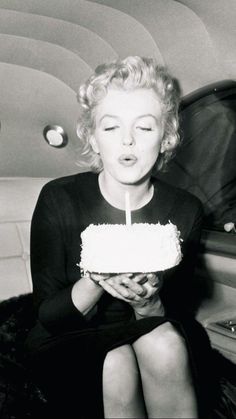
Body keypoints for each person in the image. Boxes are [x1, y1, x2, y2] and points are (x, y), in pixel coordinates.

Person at [26, 56, 218, 419]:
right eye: (111, 128)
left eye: (144, 128)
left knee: (162, 344)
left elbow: (179, 310)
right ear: (94, 139)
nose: (127, 140)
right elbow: (48, 316)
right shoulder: (59, 198)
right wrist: (97, 279)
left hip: (151, 325)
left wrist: (148, 303)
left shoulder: (185, 209)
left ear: (167, 138)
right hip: (66, 336)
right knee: (116, 361)